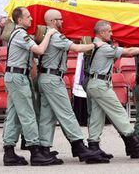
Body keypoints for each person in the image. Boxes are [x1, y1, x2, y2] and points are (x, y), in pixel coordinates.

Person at [37, 9, 109, 164]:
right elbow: (76, 49)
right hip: (52, 79)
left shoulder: (46, 34)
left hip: (46, 77)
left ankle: (43, 149)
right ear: (53, 21)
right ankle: (79, 146)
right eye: (60, 19)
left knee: (47, 116)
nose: (62, 22)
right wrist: (95, 44)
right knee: (67, 113)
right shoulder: (55, 35)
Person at [86, 20, 139, 159]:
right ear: (101, 33)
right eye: (109, 31)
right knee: (119, 112)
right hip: (100, 85)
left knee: (97, 116)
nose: (112, 33)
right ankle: (134, 142)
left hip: (95, 83)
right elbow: (129, 52)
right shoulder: (104, 47)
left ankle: (93, 147)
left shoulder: (98, 45)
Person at [2, 6, 58, 166]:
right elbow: (39, 50)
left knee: (14, 115)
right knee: (27, 114)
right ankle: (35, 151)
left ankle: (9, 151)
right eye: (28, 17)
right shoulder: (20, 34)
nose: (31, 19)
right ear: (20, 20)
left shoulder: (19, 34)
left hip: (15, 76)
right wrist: (49, 33)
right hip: (18, 77)